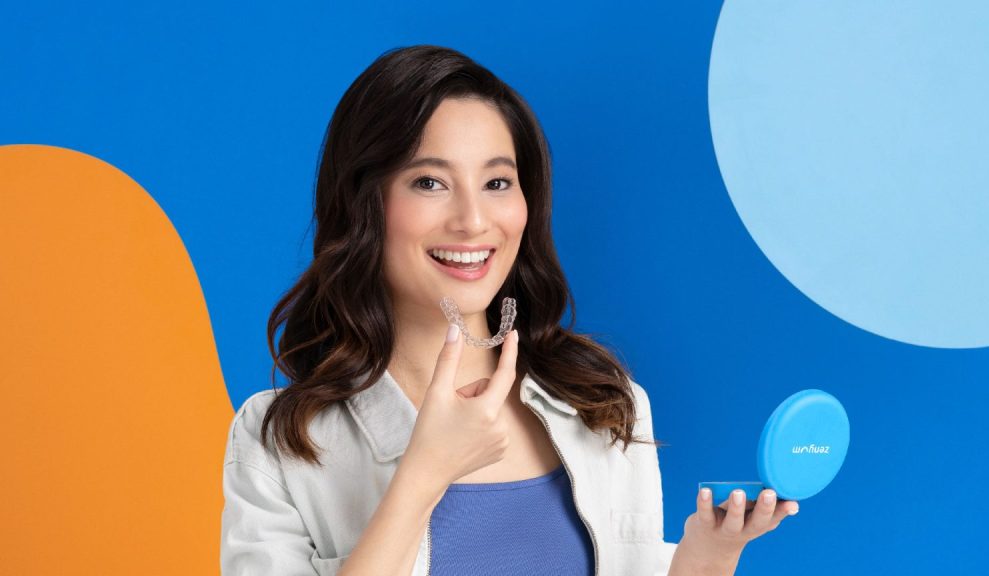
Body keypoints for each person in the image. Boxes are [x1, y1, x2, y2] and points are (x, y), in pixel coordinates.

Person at [220, 44, 798, 576]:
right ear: (362, 203)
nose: (473, 220)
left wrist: (708, 557)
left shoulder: (602, 404)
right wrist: (423, 476)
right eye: (429, 182)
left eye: (498, 182)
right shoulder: (281, 443)